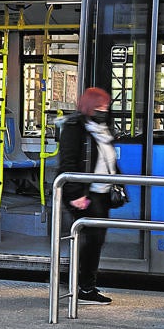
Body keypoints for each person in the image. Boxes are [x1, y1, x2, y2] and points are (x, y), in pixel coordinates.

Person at [57, 87, 118, 304]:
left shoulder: (102, 128)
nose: (105, 110)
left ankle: (82, 284)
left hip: (102, 193)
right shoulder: (74, 128)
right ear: (90, 106)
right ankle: (84, 288)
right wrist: (74, 194)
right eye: (101, 107)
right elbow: (68, 163)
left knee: (95, 241)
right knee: (91, 241)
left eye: (107, 106)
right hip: (84, 194)